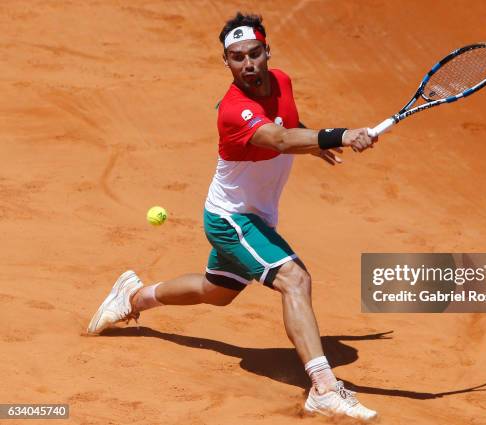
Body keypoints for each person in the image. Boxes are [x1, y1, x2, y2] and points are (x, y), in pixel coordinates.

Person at [87, 12, 377, 420]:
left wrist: (310, 141)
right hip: (232, 219)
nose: (248, 64)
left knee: (214, 292)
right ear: (226, 63)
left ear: (267, 52)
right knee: (295, 279)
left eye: (255, 54)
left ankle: (132, 297)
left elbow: (286, 123)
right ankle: (324, 388)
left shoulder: (283, 81)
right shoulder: (233, 110)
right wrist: (338, 134)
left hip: (256, 216)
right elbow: (275, 137)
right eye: (237, 57)